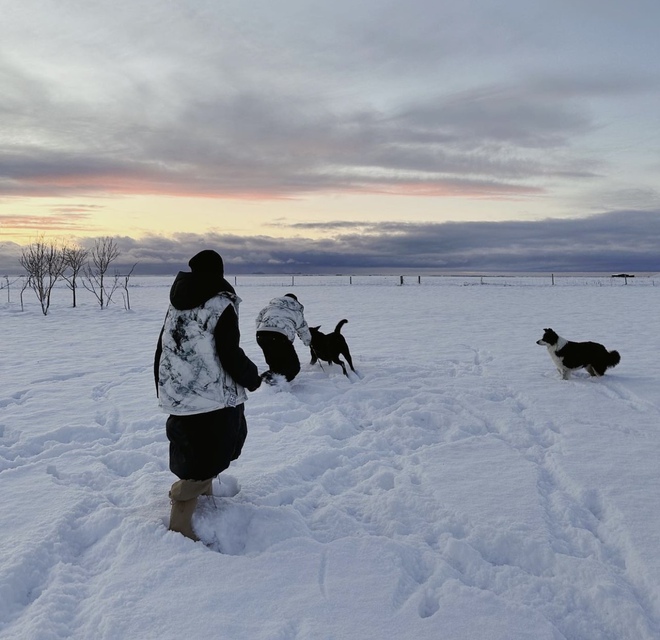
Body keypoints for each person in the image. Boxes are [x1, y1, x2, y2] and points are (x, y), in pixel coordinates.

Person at [154, 250, 261, 541]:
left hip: (180, 392)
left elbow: (163, 347)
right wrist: (252, 378)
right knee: (216, 450)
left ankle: (205, 498)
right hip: (212, 394)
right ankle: (181, 521)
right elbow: (228, 352)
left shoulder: (176, 305)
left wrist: (162, 387)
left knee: (196, 451)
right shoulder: (221, 303)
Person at [255, 293, 312, 383]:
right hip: (280, 337)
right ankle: (272, 383)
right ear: (295, 301)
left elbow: (258, 320)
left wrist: (264, 331)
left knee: (275, 366)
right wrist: (308, 342)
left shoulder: (269, 307)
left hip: (261, 335)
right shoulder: (296, 312)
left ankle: (266, 384)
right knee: (293, 367)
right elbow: (303, 330)